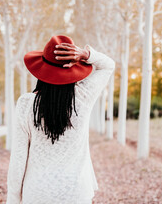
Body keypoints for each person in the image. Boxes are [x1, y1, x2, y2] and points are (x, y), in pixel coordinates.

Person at [6, 35, 115, 204]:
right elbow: (108, 65)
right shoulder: (83, 97)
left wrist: (13, 200)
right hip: (76, 192)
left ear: (41, 69)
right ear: (72, 68)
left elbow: (18, 161)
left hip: (37, 193)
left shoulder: (26, 104)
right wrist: (85, 54)